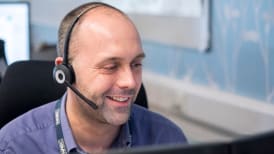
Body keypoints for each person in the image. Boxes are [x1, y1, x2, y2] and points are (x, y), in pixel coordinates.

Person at [0, 2, 187, 153]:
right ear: (64, 72)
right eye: (110, 66)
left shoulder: (168, 139)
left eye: (136, 64)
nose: (130, 82)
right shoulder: (16, 146)